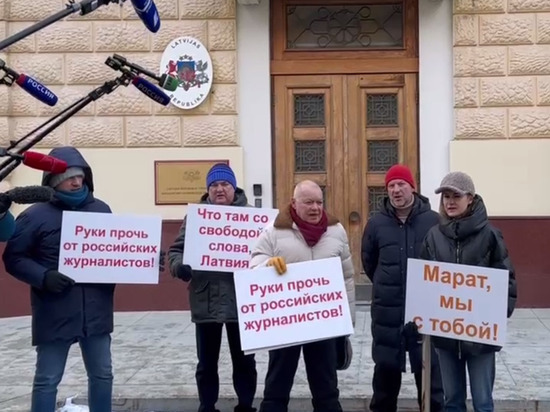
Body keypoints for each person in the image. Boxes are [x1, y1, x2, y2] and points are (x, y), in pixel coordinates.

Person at [2, 146, 114, 412]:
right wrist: (44, 277)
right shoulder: (35, 215)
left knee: (102, 374)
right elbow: (14, 258)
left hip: (96, 311)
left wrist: (143, 260)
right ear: (52, 180)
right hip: (54, 310)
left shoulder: (102, 209)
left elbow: (117, 250)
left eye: (80, 176)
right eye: (68, 176)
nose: (76, 181)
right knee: (47, 380)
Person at [250, 179, 355, 412]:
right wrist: (268, 265)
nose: (316, 207)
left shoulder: (336, 231)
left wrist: (347, 321)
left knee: (326, 388)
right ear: (294, 203)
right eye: (308, 202)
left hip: (324, 322)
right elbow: (254, 266)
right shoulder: (273, 231)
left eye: (319, 202)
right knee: (277, 385)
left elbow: (346, 276)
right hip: (286, 322)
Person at [420, 171, 517, 412]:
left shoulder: (490, 235)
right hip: (446, 337)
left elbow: (507, 280)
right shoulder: (433, 236)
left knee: (483, 403)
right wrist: (420, 315)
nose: (450, 202)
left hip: (480, 338)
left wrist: (496, 315)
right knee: (452, 402)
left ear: (470, 198)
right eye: (445, 197)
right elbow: (424, 283)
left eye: (456, 195)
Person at [168, 163, 257, 412]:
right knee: (207, 363)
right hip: (205, 298)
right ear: (208, 190)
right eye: (214, 185)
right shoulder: (196, 218)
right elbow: (176, 250)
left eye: (225, 184)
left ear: (234, 188)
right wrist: (179, 267)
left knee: (245, 361)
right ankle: (207, 406)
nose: (219, 189)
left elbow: (266, 253)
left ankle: (246, 405)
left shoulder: (251, 216)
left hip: (242, 301)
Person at [361, 164, 444, 412]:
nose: (396, 190)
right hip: (388, 313)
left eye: (401, 184)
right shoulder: (376, 223)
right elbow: (369, 262)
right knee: (385, 376)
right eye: (391, 186)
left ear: (413, 188)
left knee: (430, 377)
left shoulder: (434, 221)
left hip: (425, 313)